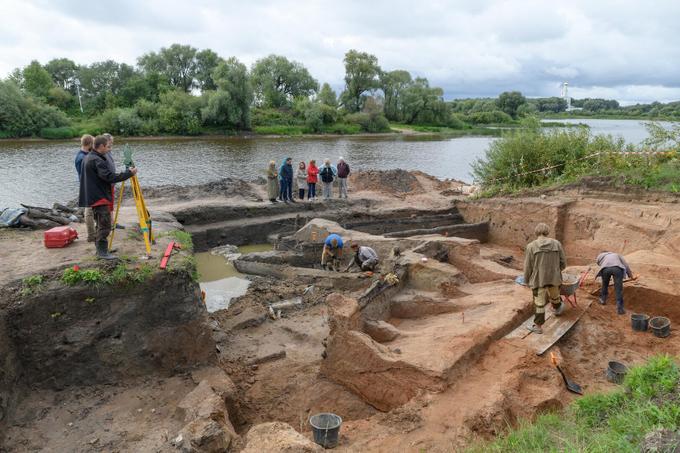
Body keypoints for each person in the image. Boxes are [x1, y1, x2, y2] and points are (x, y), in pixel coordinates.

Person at [79, 135, 136, 260]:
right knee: (104, 226)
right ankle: (102, 253)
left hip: (93, 196)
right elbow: (109, 177)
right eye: (107, 146)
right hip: (99, 197)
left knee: (100, 224)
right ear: (101, 146)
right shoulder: (97, 160)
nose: (109, 149)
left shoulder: (89, 157)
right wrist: (129, 174)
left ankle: (101, 249)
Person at [523, 223, 567, 334]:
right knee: (555, 295)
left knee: (539, 303)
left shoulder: (531, 246)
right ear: (547, 231)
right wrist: (556, 271)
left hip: (539, 279)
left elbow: (528, 266)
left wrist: (526, 280)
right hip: (554, 277)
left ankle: (538, 326)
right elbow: (563, 263)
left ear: (536, 232)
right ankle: (558, 309)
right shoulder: (556, 244)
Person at [75, 134, 96, 242]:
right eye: (93, 144)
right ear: (89, 144)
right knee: (89, 210)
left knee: (91, 210)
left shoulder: (84, 155)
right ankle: (91, 235)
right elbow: (83, 174)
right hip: (87, 186)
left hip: (89, 185)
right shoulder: (81, 157)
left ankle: (93, 233)